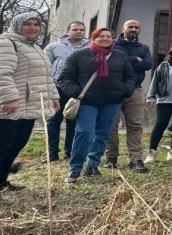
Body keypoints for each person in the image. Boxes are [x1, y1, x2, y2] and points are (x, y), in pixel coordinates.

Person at [0, 12, 60, 202]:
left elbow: (45, 77)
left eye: (36, 24)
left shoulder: (34, 48)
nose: (33, 27)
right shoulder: (3, 44)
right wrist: (9, 98)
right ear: (16, 26)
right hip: (5, 106)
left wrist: (53, 97)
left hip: (27, 107)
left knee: (14, 145)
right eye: (28, 24)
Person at [58, 27, 136, 183]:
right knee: (85, 133)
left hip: (112, 101)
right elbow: (64, 78)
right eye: (101, 36)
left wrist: (125, 91)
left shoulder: (120, 56)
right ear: (93, 38)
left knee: (103, 134)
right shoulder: (78, 56)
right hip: (87, 101)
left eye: (109, 36)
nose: (105, 38)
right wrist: (77, 92)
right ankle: (75, 168)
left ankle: (92, 165)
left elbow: (130, 77)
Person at [105, 19, 153, 173]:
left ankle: (136, 160)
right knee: (111, 125)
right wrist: (133, 60)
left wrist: (123, 61)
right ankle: (111, 158)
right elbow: (110, 62)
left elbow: (147, 64)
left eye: (136, 27)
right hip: (112, 89)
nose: (133, 29)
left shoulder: (143, 48)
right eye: (130, 26)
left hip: (135, 90)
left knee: (135, 125)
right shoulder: (112, 45)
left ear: (140, 30)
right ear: (123, 28)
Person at [43, 21, 89, 162]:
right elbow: (45, 66)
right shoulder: (54, 47)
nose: (78, 32)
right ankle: (52, 153)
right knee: (53, 120)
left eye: (81, 29)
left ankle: (70, 152)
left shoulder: (91, 47)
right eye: (75, 29)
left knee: (73, 120)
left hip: (79, 89)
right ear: (68, 31)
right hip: (58, 87)